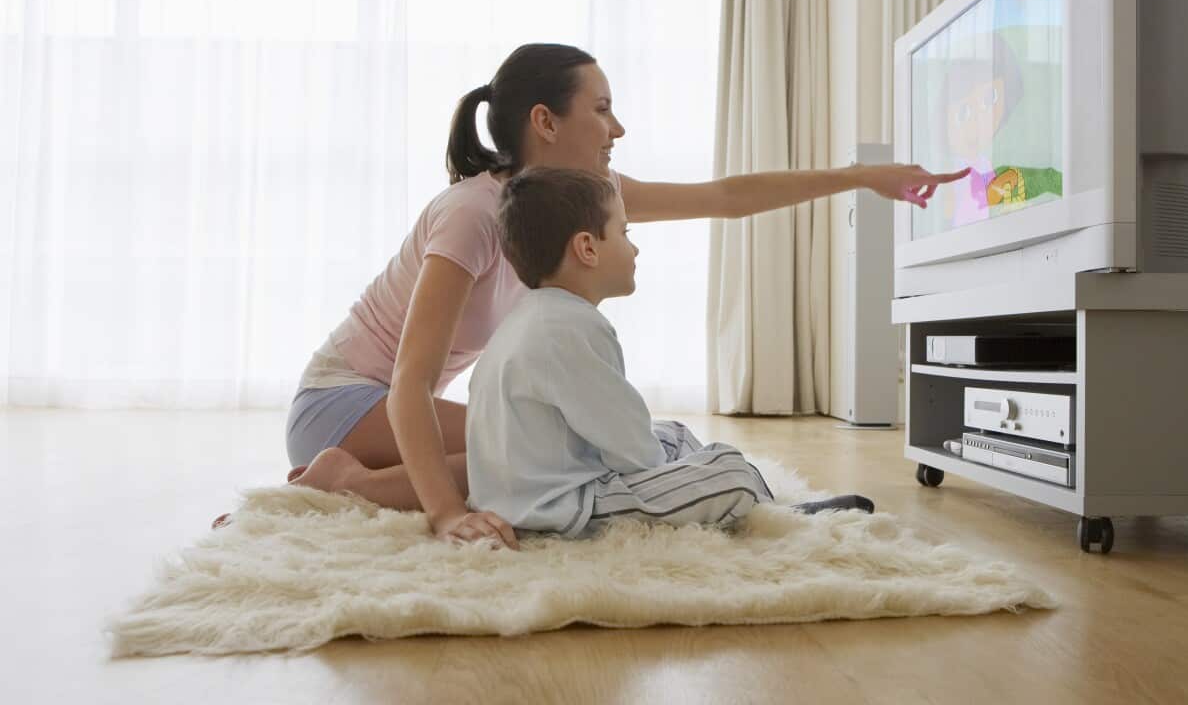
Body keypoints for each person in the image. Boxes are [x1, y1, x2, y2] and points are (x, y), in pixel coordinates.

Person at [259, 43, 965, 547]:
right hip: (345, 401)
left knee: (542, 452)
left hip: (390, 405)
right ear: (545, 121)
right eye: (601, 109)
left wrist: (858, 178)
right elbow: (408, 381)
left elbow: (724, 198)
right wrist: (446, 514)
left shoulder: (577, 200)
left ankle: (355, 477)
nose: (618, 129)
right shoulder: (473, 213)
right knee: (520, 464)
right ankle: (338, 480)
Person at [466, 167, 870, 541]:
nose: (635, 249)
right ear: (587, 248)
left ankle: (739, 499)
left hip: (537, 489)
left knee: (673, 433)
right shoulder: (568, 327)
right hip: (560, 508)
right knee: (729, 471)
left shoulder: (537, 316)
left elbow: (612, 427)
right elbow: (629, 445)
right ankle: (776, 517)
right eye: (624, 233)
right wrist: (680, 479)